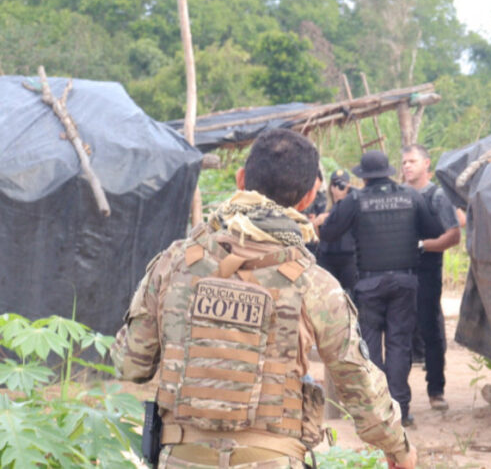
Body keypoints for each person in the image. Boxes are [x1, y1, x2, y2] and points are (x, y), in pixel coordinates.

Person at [111, 129, 416, 469]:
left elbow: (130, 364)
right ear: (309, 196)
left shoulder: (173, 263)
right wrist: (399, 449)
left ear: (240, 179)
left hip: (182, 458)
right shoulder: (313, 283)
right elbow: (357, 382)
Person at [315, 150, 443, 427]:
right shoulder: (411, 197)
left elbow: (327, 233)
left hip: (370, 284)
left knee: (371, 346)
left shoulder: (355, 200)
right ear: (389, 171)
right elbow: (433, 230)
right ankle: (401, 409)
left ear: (363, 176)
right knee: (399, 344)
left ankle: (377, 409)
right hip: (405, 282)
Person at [400, 144, 461, 412]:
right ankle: (398, 395)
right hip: (399, 270)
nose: (407, 166)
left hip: (427, 271)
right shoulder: (397, 194)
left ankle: (436, 390)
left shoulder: (437, 197)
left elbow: (453, 235)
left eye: (412, 161)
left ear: (427, 164)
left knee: (431, 332)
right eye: (403, 162)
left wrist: (423, 245)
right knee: (398, 332)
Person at [315, 169, 358, 295]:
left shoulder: (354, 206)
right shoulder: (323, 206)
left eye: (342, 184)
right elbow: (318, 237)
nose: (338, 188)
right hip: (327, 257)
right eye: (334, 184)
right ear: (330, 187)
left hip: (348, 257)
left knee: (351, 294)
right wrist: (317, 223)